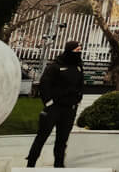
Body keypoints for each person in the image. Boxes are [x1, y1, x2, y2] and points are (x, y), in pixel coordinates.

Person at [26, 40, 84, 168]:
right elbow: (44, 85)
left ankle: (59, 165)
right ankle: (31, 164)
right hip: (54, 108)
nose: (79, 53)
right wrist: (49, 103)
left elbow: (80, 85)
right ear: (69, 51)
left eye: (80, 50)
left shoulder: (79, 67)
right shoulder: (55, 66)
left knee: (62, 140)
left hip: (70, 109)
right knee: (42, 136)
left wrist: (78, 98)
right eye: (76, 50)